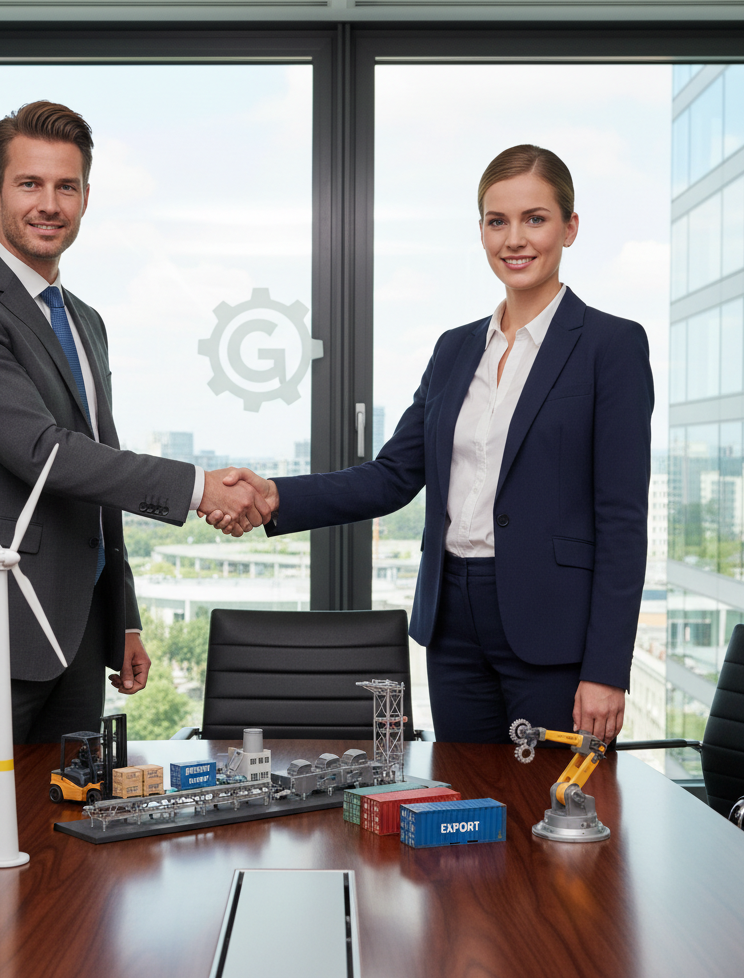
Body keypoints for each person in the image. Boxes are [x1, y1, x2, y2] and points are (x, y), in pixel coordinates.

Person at [211, 144, 653, 745]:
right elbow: (392, 475)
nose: (514, 239)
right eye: (496, 221)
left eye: (535, 219)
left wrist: (606, 669)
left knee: (550, 800)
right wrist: (273, 495)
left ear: (569, 228)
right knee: (464, 794)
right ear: (481, 231)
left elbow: (622, 522)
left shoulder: (611, 346)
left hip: (553, 630)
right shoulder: (454, 349)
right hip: (453, 624)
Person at [0, 100, 269, 773]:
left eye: (65, 187)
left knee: (68, 822)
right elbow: (44, 453)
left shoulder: (85, 320)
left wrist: (121, 616)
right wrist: (198, 487)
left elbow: (98, 467)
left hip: (72, 635)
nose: (49, 204)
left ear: (86, 198)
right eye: (29, 184)